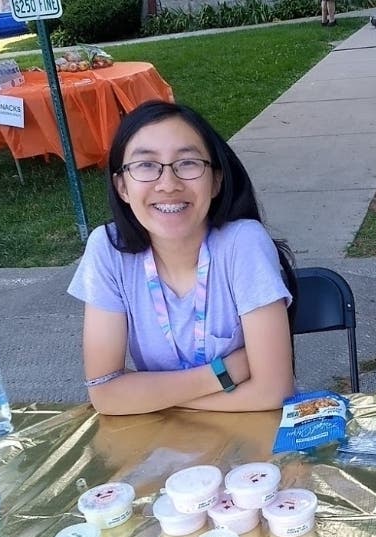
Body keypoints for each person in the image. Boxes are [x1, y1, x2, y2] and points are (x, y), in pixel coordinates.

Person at [67, 101, 297, 415]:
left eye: (187, 163)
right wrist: (223, 373)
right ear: (122, 186)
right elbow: (105, 394)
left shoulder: (243, 243)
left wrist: (146, 397)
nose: (168, 184)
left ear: (216, 180)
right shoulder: (108, 249)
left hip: (255, 434)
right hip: (161, 440)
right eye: (146, 165)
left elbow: (272, 392)